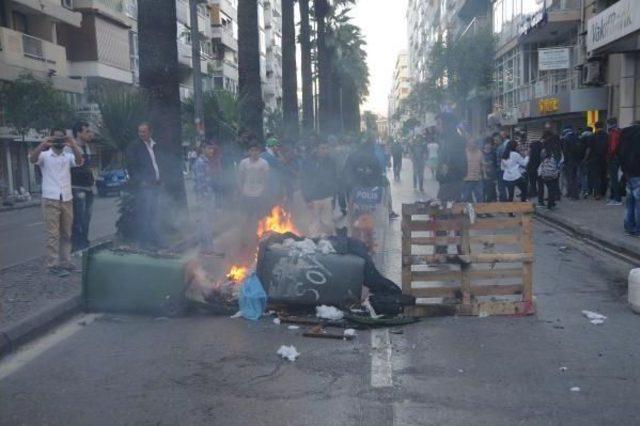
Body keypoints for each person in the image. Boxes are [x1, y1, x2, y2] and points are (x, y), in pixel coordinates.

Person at [29, 128, 84, 275]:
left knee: (66, 232)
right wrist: (42, 144)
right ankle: (52, 264)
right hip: (50, 198)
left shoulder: (68, 156)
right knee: (52, 233)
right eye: (56, 138)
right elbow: (32, 159)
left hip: (66, 198)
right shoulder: (45, 156)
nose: (59, 141)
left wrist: (73, 144)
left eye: (61, 138)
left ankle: (65, 261)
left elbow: (79, 161)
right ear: (51, 138)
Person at [126, 122, 162, 249]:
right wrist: (140, 181)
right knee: (144, 214)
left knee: (153, 213)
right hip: (144, 186)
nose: (141, 134)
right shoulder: (134, 146)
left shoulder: (155, 145)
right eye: (140, 131)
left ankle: (154, 240)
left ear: (150, 132)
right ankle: (144, 243)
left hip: (155, 185)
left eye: (144, 131)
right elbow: (131, 166)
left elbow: (158, 163)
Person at [301, 141, 340, 237]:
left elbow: (335, 179)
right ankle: (314, 243)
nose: (325, 151)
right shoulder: (309, 162)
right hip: (314, 198)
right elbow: (304, 181)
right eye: (322, 148)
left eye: (326, 148)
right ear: (317, 149)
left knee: (327, 223)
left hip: (327, 197)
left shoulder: (331, 162)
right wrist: (307, 199)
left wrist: (333, 197)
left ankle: (327, 244)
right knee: (314, 225)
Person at [70, 121, 95, 252]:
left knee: (87, 219)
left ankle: (84, 244)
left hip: (89, 187)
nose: (90, 134)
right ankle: (77, 246)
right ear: (78, 133)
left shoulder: (87, 147)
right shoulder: (71, 147)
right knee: (78, 219)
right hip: (77, 187)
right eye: (87, 131)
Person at [238, 143, 270, 234]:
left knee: (260, 216)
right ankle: (247, 234)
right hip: (247, 193)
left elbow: (266, 178)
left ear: (259, 152)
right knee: (247, 216)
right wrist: (241, 190)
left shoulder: (264, 163)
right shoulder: (244, 163)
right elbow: (240, 177)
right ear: (249, 152)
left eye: (256, 150)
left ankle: (260, 234)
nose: (254, 152)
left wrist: (264, 191)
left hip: (259, 193)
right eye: (252, 150)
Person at [193, 141, 219, 254]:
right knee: (205, 223)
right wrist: (204, 198)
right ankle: (207, 249)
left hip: (207, 196)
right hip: (204, 198)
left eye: (212, 148)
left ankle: (207, 247)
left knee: (206, 222)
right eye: (209, 148)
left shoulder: (206, 162)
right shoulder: (200, 163)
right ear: (203, 149)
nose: (211, 151)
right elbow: (200, 183)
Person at [436, 112, 467, 202]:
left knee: (446, 212)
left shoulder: (455, 140)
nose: (437, 126)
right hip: (447, 182)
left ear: (447, 125)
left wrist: (448, 167)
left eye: (439, 123)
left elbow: (460, 164)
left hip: (451, 183)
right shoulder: (446, 139)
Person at [619, 121, 640, 237]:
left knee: (630, 201)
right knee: (638, 202)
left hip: (628, 172)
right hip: (638, 171)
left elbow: (619, 153)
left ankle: (629, 226)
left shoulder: (624, 134)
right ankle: (638, 229)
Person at [538, 131, 563, 209]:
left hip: (545, 171)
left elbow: (541, 158)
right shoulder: (558, 150)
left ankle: (550, 203)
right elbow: (561, 159)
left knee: (549, 187)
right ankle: (551, 203)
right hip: (555, 171)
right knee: (553, 186)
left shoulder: (545, 149)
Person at [584, 122, 608, 199]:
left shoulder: (592, 136)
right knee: (604, 175)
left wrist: (586, 158)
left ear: (595, 127)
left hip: (594, 159)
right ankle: (603, 192)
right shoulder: (607, 135)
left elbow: (589, 148)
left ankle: (597, 194)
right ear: (603, 126)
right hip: (605, 158)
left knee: (596, 176)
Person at [560, 125, 583, 200]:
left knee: (570, 178)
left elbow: (565, 151)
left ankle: (572, 194)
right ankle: (575, 194)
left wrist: (565, 161)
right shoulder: (577, 137)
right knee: (575, 177)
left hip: (569, 161)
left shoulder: (566, 138)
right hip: (577, 161)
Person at [606, 117, 623, 206]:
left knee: (614, 179)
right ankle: (614, 197)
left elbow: (612, 147)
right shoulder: (620, 131)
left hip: (614, 158)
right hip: (620, 157)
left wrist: (609, 157)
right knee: (616, 179)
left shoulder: (613, 132)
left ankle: (617, 199)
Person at [462, 138, 484, 202]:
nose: (472, 144)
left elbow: (482, 164)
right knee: (466, 198)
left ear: (476, 144)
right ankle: (469, 211)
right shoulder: (464, 153)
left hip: (477, 179)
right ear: (467, 144)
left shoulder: (480, 153)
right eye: (470, 143)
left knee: (480, 197)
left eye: (473, 143)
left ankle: (480, 211)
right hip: (466, 179)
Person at [495, 129, 510, 201]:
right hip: (500, 169)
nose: (495, 141)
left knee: (501, 186)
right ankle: (503, 199)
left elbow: (503, 159)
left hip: (501, 169)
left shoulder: (501, 148)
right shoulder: (499, 147)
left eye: (496, 140)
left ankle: (503, 199)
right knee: (501, 186)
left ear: (500, 139)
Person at [481, 137, 497, 202]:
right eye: (487, 144)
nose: (488, 145)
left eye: (489, 144)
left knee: (491, 190)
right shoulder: (480, 152)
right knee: (483, 190)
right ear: (484, 144)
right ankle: (483, 204)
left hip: (491, 174)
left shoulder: (493, 153)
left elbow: (495, 164)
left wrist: (495, 177)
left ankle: (489, 204)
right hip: (482, 174)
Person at [527, 138, 543, 205]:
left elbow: (527, 164)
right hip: (540, 171)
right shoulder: (541, 154)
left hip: (531, 170)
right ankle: (540, 201)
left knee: (532, 184)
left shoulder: (531, 156)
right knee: (541, 185)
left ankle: (532, 199)